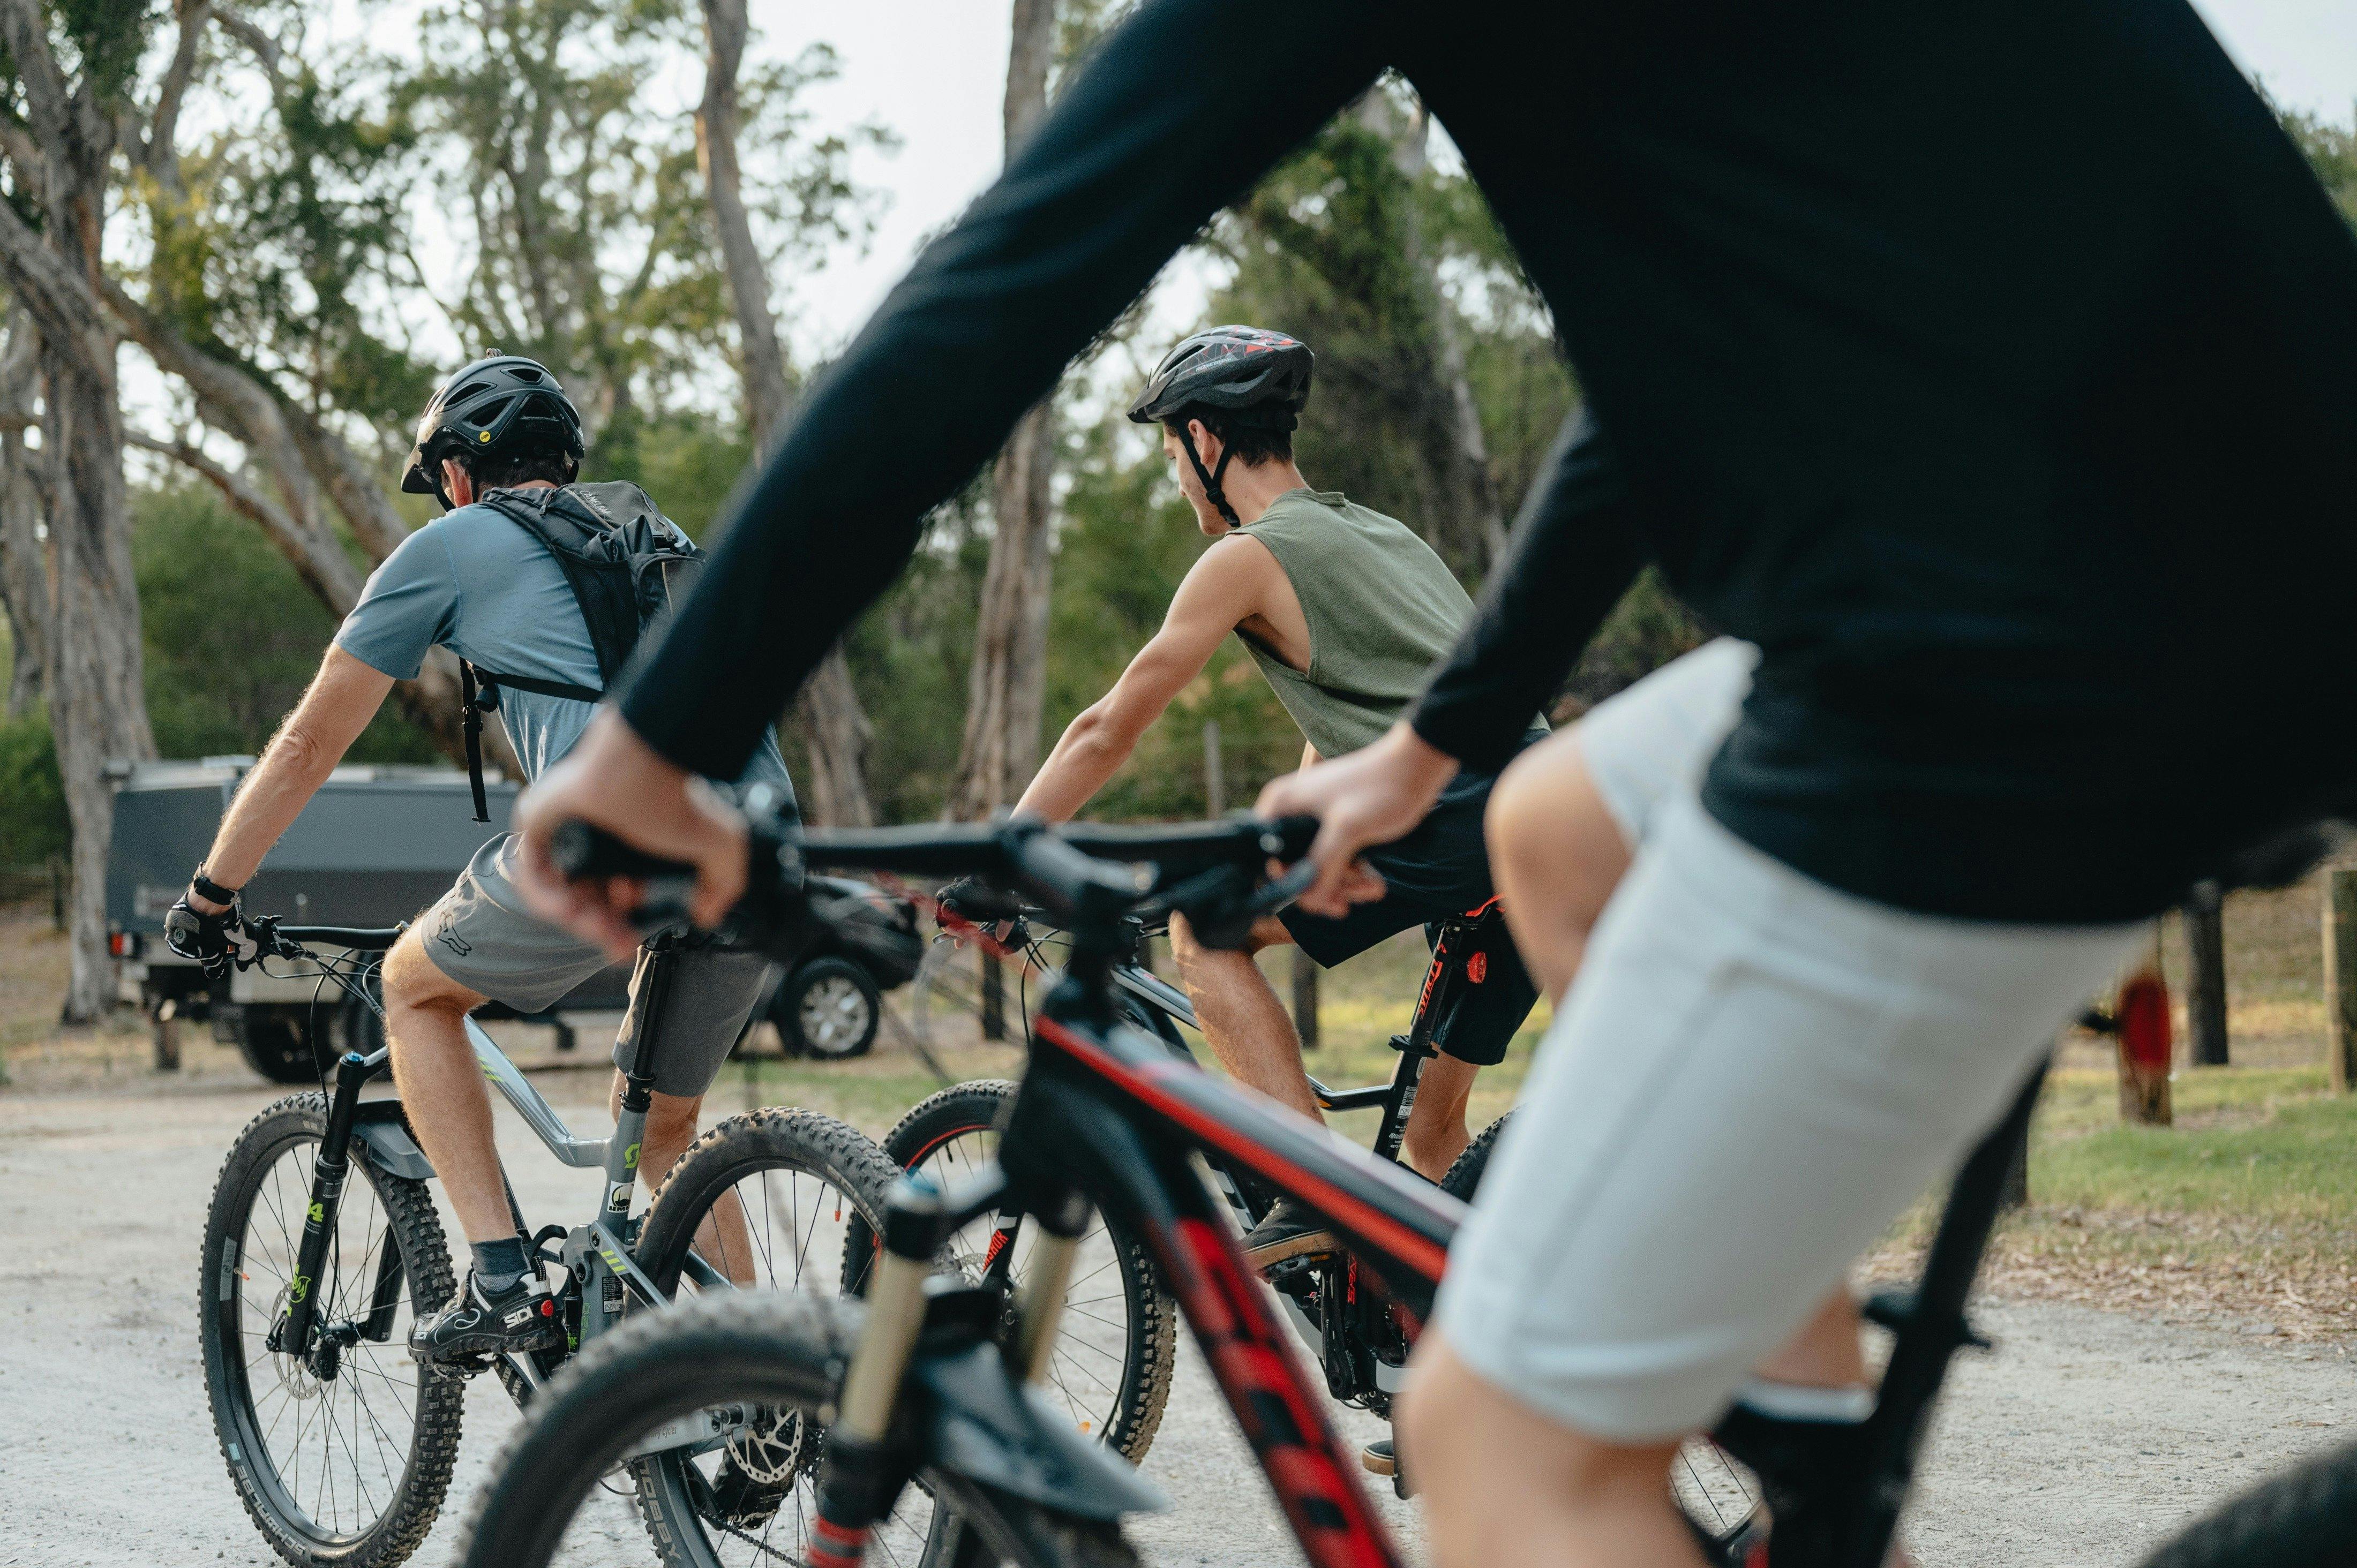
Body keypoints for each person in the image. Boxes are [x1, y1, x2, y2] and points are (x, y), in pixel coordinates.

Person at [507, 4, 2357, 1565]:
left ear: (1206, 447)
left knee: (1492, 1438)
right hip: (2213, 532)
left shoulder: (1253, 542)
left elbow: (1020, 268)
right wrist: (1435, 740)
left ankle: (1535, 1374)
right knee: (1559, 828)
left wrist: (664, 733)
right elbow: (1675, 383)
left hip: (2027, 627)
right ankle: (1790, 1410)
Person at [166, 355, 797, 1362]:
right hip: (760, 846)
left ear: (461, 471)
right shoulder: (654, 535)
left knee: (412, 987)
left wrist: (211, 892)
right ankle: (768, 1400)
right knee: (669, 1135)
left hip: (615, 842)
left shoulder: (451, 546)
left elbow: (305, 747)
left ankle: (500, 1276)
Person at [970, 324, 1541, 1261]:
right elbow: (1353, 722)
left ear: (1205, 439)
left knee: (1203, 930)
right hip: (1535, 826)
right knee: (1436, 1140)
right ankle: (1432, 1346)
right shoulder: (1382, 534)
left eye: (1169, 453)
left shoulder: (1248, 556)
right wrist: (1273, 835)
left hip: (1450, 819)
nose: (1175, 476)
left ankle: (1310, 1187)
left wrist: (1003, 853)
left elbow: (1109, 725)